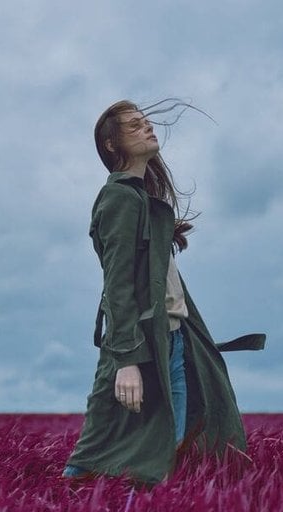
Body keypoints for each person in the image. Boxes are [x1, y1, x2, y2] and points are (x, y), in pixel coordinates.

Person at [62, 99, 265, 485]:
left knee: (162, 447)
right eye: (135, 125)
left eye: (146, 122)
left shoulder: (140, 198)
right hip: (141, 345)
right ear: (111, 144)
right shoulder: (119, 198)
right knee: (109, 446)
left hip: (170, 340)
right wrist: (126, 361)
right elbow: (117, 285)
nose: (148, 128)